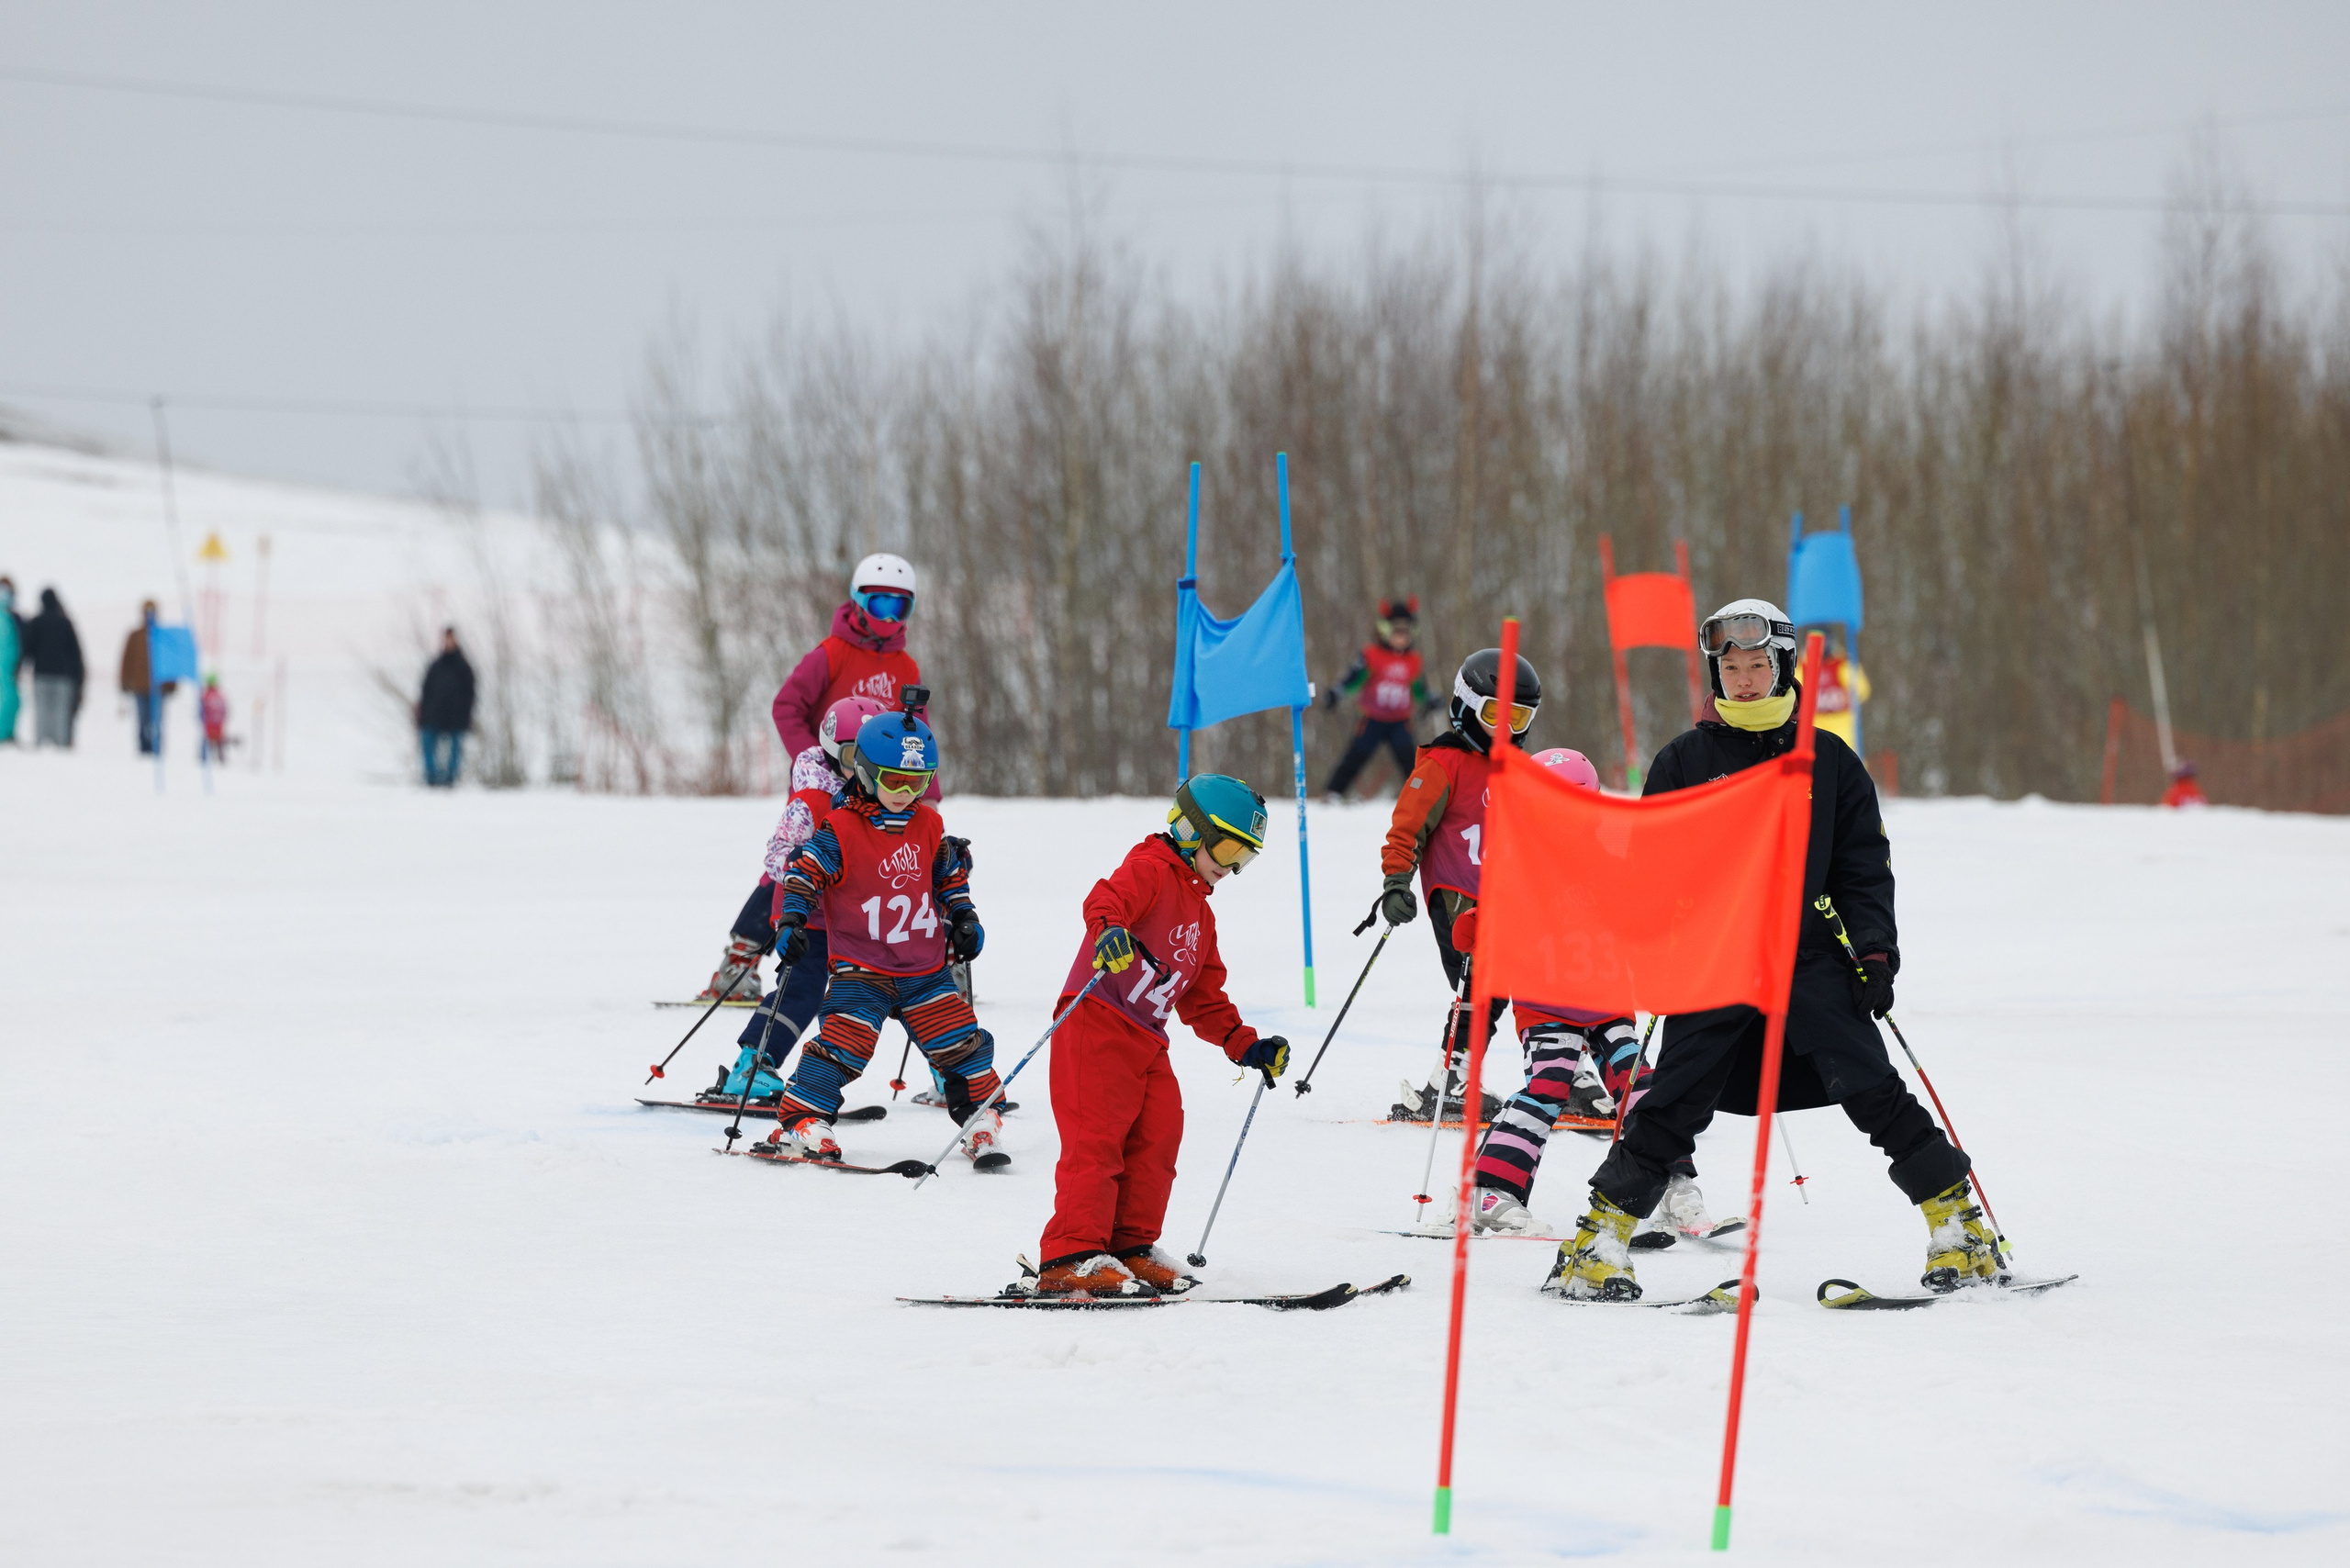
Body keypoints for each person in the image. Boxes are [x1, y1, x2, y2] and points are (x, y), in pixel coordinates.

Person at [1546, 599, 1989, 1302]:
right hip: (1713, 959)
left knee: (1872, 1089)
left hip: (1810, 958)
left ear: (1781, 666)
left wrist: (1875, 954)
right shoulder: (1684, 760)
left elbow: (1863, 869)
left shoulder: (1827, 760)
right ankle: (1595, 1244)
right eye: (1731, 668)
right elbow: (1648, 871)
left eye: (1757, 665)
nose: (1744, 680)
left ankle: (1960, 1228)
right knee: (1674, 1103)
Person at [1029, 776, 1291, 1298]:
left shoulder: (1201, 913)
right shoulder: (1151, 869)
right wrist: (1110, 930)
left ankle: (1131, 1247)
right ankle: (1070, 1255)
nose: (1234, 865)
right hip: (1096, 1023)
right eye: (1229, 847)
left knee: (1159, 1135)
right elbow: (1106, 899)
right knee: (1098, 1142)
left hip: (1147, 1037)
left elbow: (1203, 997)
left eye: (1247, 856)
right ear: (1192, 831)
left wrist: (1245, 1044)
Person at [763, 706, 1002, 1167]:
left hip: (923, 969)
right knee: (843, 1045)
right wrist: (792, 921)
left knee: (958, 1040)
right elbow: (804, 872)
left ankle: (980, 1115)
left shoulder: (929, 826)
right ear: (867, 773)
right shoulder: (841, 829)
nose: (905, 793)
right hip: (861, 969)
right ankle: (801, 1121)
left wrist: (964, 917)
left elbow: (948, 876)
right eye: (894, 782)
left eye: (917, 783)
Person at [691, 554, 925, 1003]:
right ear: (858, 603)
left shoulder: (906, 668)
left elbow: (917, 734)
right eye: (879, 605)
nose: (889, 617)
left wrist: (925, 794)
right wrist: (814, 764)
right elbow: (786, 707)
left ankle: (905, 965)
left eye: (901, 607)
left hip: (879, 791)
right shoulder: (831, 654)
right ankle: (739, 962)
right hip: (822, 785)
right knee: (794, 867)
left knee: (892, 867)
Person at [1453, 747, 1660, 1237]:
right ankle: (1491, 1190)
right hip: (1545, 1003)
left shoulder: (1612, 861)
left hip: (1606, 1000)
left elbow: (1643, 914)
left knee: (1638, 1083)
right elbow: (1482, 923)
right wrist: (1476, 928)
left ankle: (1668, 1182)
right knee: (1548, 1086)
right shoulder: (1518, 864)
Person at [1375, 648, 1542, 1125]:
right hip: (1458, 898)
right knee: (1481, 987)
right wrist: (1395, 883)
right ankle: (1450, 1081)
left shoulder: (1519, 771)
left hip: (1507, 901)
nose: (1506, 729)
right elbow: (1406, 829)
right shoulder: (1442, 765)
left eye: (1518, 717)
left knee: (1515, 986)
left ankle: (1551, 1073)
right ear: (1466, 705)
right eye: (1494, 714)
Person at [701, 694, 894, 1106]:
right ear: (830, 751)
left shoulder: (877, 804)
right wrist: (804, 863)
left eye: (872, 758)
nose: (863, 768)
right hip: (803, 913)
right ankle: (751, 1066)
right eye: (852, 756)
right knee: (803, 988)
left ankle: (950, 1069)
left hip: (851, 917)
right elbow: (775, 856)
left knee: (883, 990)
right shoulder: (811, 800)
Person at [1322, 597, 1436, 801]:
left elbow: (1419, 689)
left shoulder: (1414, 660)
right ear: (1385, 630)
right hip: (1372, 718)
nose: (1401, 637)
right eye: (1396, 631)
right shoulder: (1372, 655)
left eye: (1405, 632)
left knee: (1409, 759)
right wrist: (1336, 694)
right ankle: (1333, 793)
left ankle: (1423, 797)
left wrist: (1429, 700)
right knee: (1357, 755)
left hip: (1400, 721)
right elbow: (1353, 681)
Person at [24, 588, 84, 748]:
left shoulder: (36, 622)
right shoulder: (65, 623)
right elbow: (75, 654)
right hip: (63, 677)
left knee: (42, 712)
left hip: (41, 675)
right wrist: (78, 678)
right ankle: (61, 745)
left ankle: (42, 743)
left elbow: (27, 649)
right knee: (61, 713)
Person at [415, 628, 476, 788]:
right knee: (427, 740)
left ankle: (450, 778)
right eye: (446, 639)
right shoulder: (435, 666)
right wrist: (422, 712)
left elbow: (470, 694)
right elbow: (426, 691)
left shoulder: (464, 668)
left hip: (456, 717)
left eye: (451, 639)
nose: (448, 642)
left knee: (456, 747)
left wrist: (465, 714)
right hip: (434, 715)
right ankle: (431, 778)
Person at [118, 600, 175, 756]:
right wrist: (124, 682)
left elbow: (170, 662)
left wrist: (171, 685)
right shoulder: (135, 636)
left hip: (158, 688)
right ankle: (144, 750)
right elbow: (127, 659)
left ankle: (156, 750)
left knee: (156, 721)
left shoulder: (163, 636)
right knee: (142, 721)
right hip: (139, 686)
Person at [1805, 624, 1871, 754]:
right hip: (1814, 726)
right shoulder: (1803, 666)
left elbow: (1862, 690)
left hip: (1841, 726)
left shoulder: (1842, 664)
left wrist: (1848, 696)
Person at [0, 577, 19, 744]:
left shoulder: (11, 619)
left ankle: (6, 733)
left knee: (12, 701)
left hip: (8, 671)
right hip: (5, 671)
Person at [198, 675, 229, 763]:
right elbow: (225, 710)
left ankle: (203, 759)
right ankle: (221, 758)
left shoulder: (205, 696)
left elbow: (201, 712)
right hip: (219, 724)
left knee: (206, 741)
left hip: (209, 724)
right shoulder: (220, 696)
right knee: (219, 741)